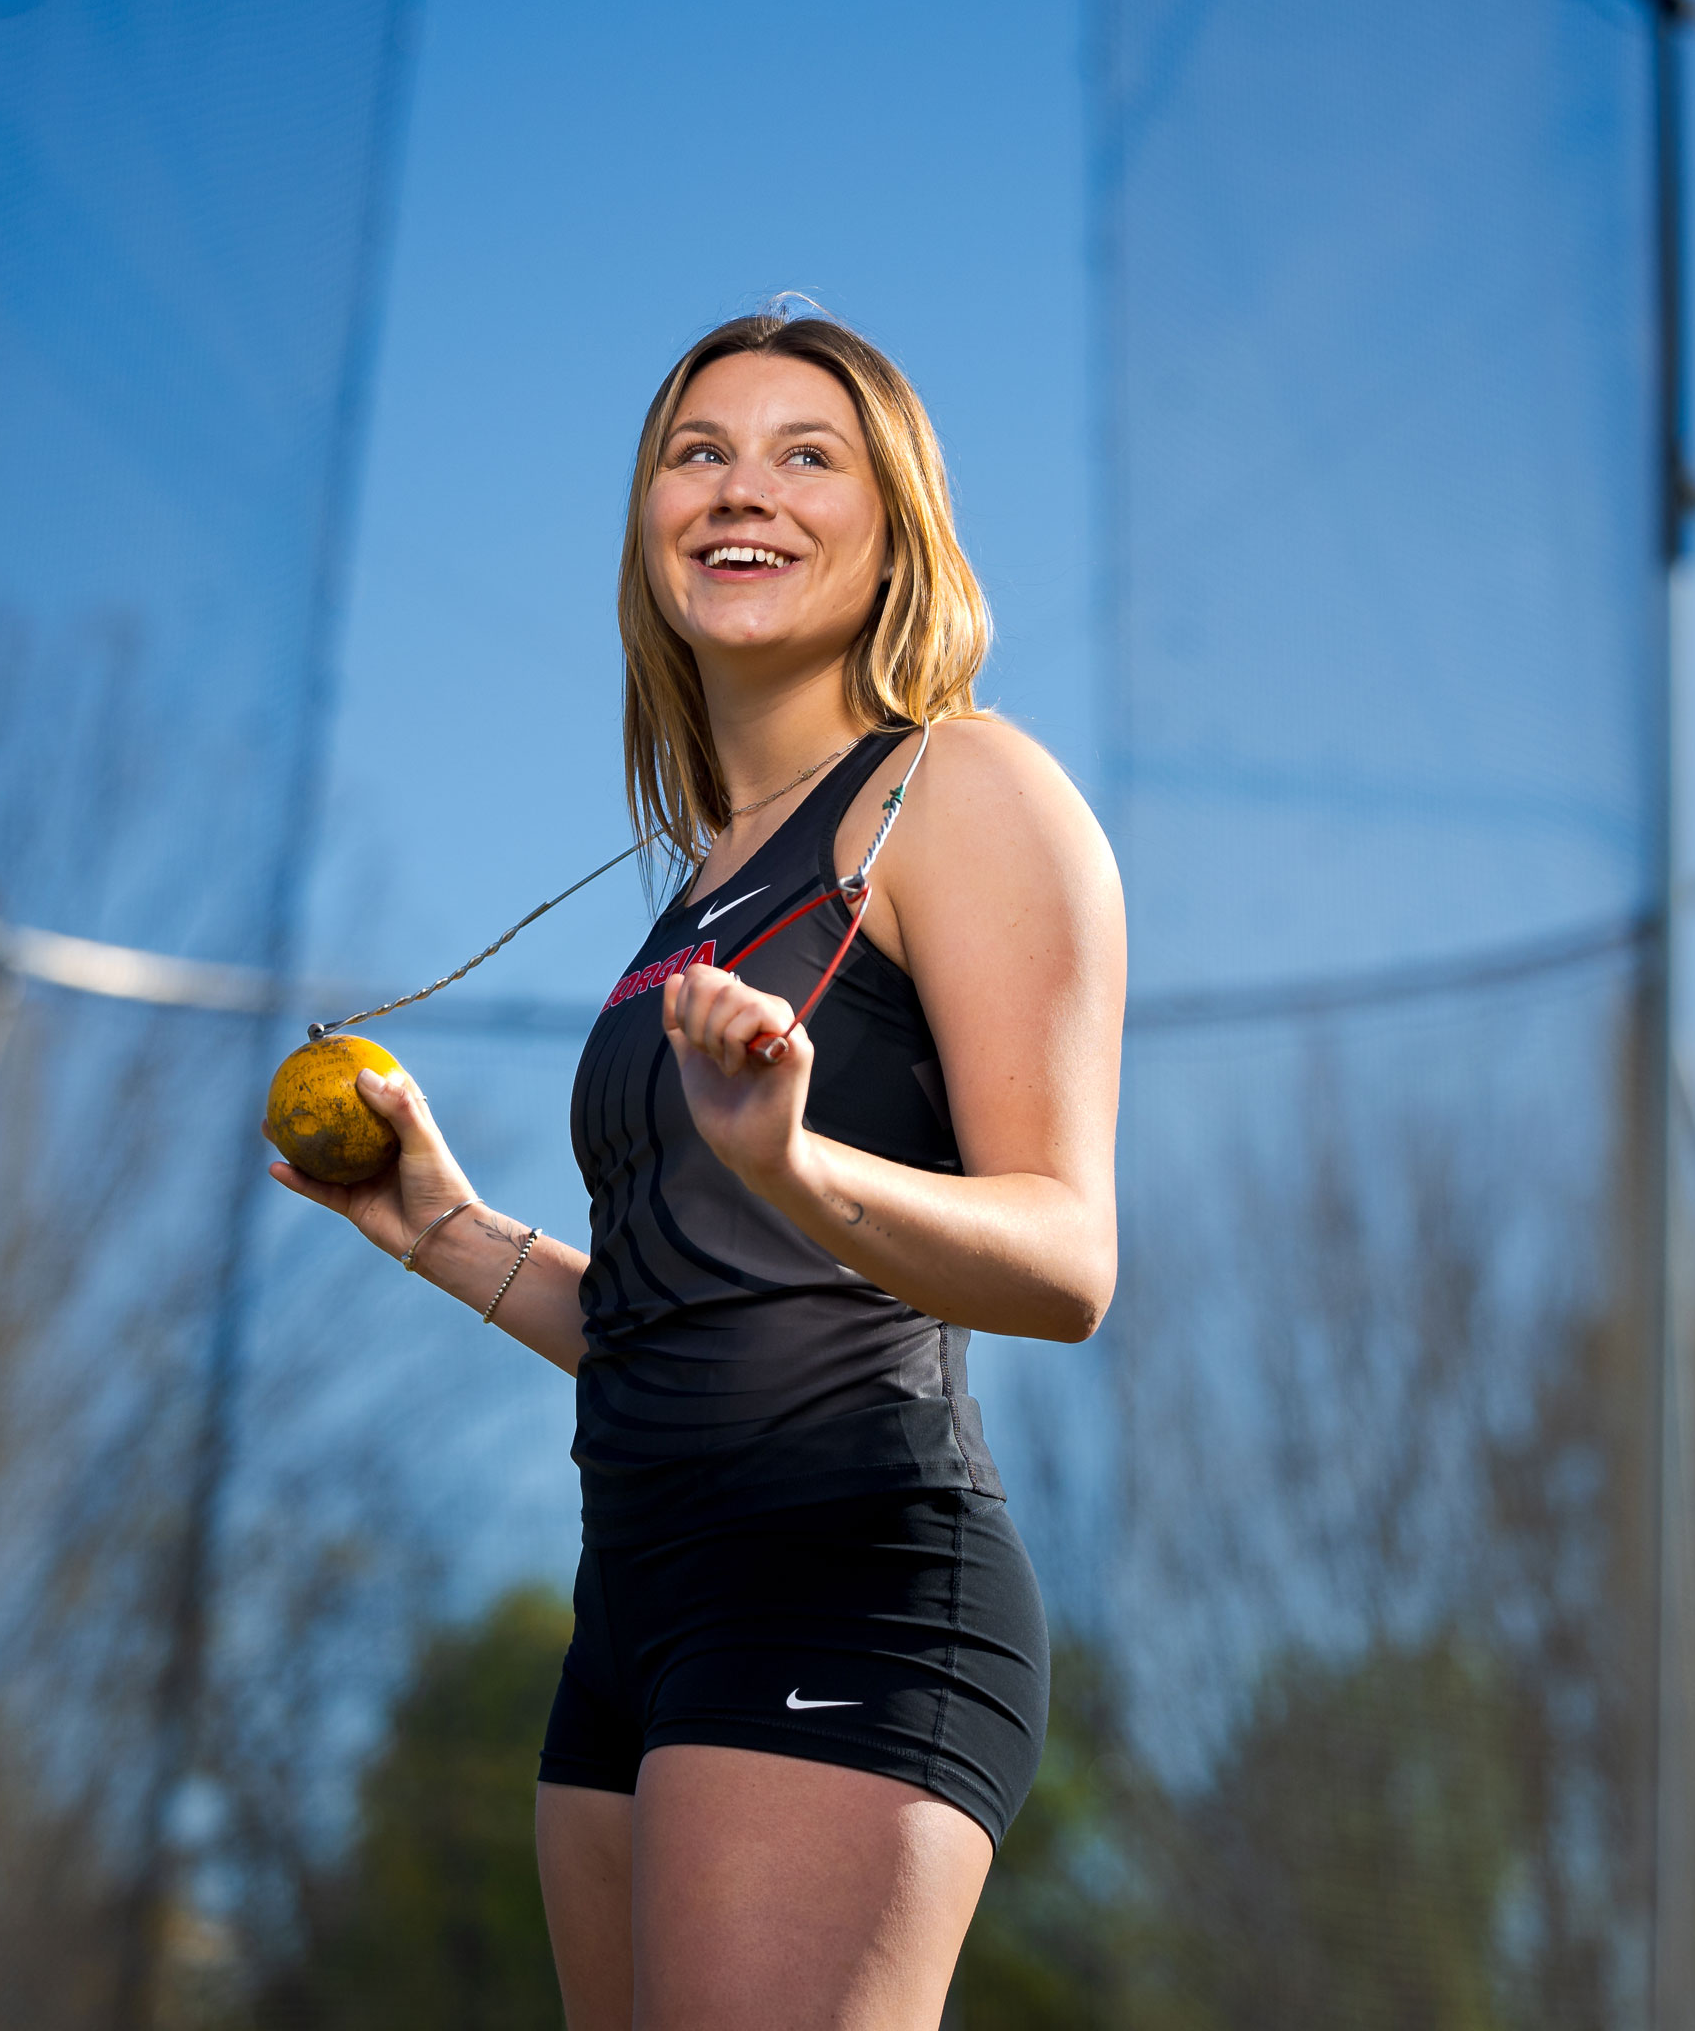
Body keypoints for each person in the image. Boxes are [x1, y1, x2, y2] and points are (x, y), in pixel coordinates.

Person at [270, 306, 1125, 2030]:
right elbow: (693, 1319)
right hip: (635, 1626)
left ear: (896, 531)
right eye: (697, 451)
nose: (745, 489)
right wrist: (437, 1227)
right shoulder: (707, 878)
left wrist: (796, 1164)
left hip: (848, 1588)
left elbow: (1069, 1258)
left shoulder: (959, 792)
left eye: (809, 454)